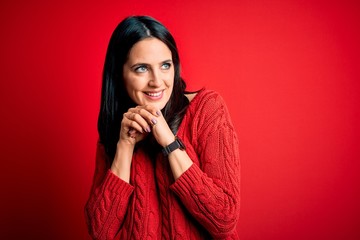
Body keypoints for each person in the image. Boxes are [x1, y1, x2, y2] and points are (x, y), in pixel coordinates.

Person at [85, 15, 240, 239]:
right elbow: (100, 232)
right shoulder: (117, 131)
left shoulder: (206, 110)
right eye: (141, 69)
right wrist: (125, 146)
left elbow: (224, 220)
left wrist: (169, 142)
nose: (157, 81)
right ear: (120, 74)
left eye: (165, 66)